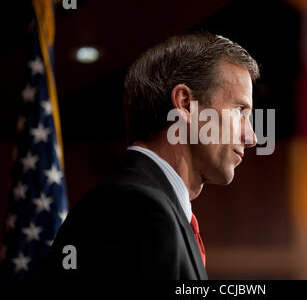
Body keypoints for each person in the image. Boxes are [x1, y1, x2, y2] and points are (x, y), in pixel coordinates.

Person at [44, 32, 259, 280]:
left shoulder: (150, 204)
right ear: (187, 104)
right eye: (240, 111)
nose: (251, 137)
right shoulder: (138, 207)